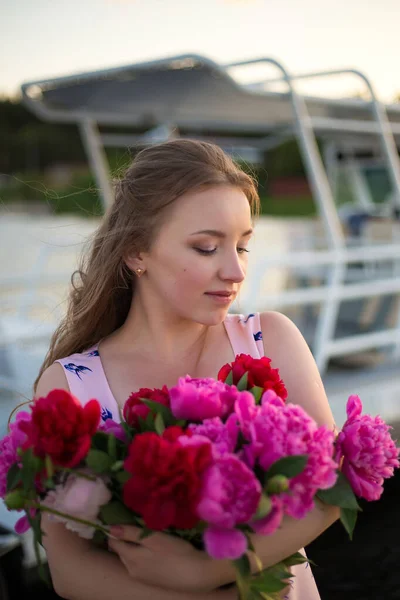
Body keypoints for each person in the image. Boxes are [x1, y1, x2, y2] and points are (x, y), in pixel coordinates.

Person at [34, 139, 339, 600]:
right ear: (137, 252)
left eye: (242, 247)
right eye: (206, 248)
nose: (235, 271)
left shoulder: (270, 339)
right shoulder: (70, 386)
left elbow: (333, 483)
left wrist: (206, 570)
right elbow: (71, 571)